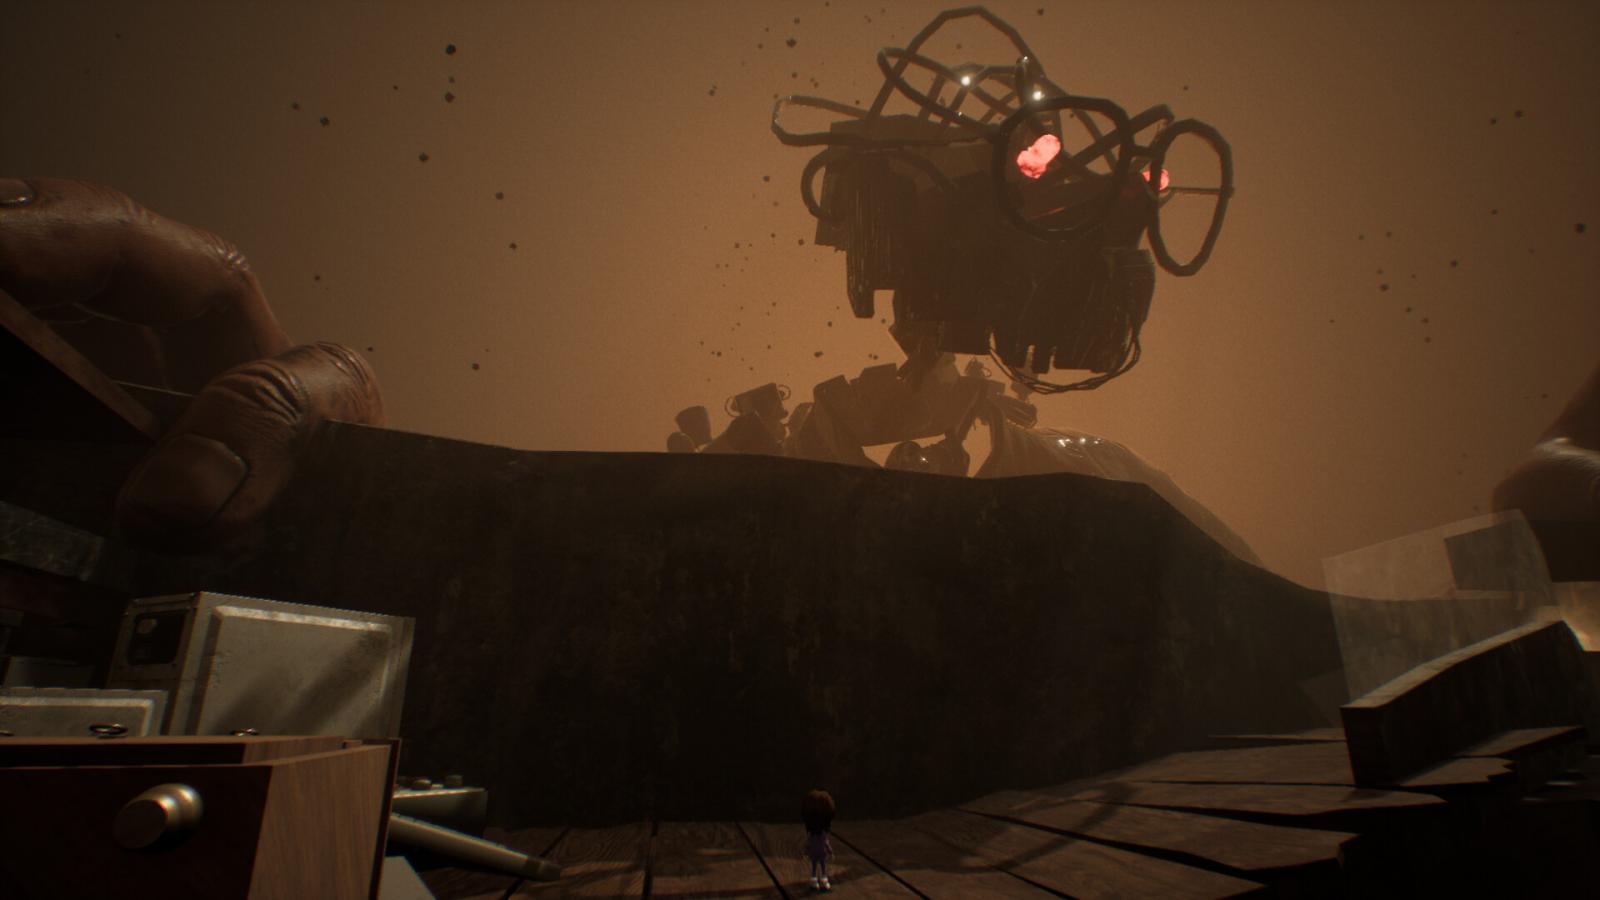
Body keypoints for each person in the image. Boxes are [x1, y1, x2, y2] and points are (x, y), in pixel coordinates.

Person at [800, 788, 835, 893]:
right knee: (821, 866)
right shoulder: (822, 835)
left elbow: (808, 845)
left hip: (815, 854)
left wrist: (805, 852)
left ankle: (815, 881)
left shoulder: (812, 836)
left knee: (815, 867)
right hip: (821, 854)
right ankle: (822, 881)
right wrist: (830, 852)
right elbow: (826, 844)